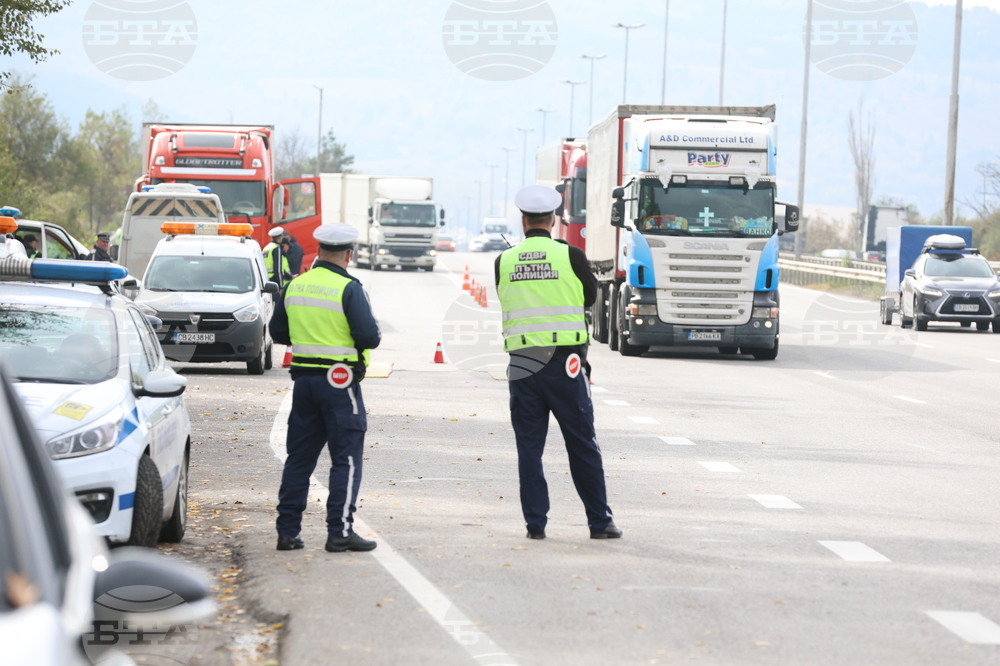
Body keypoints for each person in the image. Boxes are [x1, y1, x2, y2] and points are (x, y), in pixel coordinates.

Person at [494, 185, 621, 541]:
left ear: (523, 222)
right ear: (553, 220)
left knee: (529, 448)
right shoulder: (570, 256)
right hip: (564, 363)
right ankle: (599, 522)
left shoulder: (503, 260)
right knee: (582, 443)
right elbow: (591, 296)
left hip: (522, 364)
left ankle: (535, 524)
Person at [270, 224, 382, 553]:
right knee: (345, 460)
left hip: (304, 383)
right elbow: (369, 337)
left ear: (317, 251)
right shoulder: (349, 288)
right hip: (340, 383)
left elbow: (278, 332)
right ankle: (340, 531)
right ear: (348, 254)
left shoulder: (295, 285)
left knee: (299, 460)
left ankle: (287, 533)